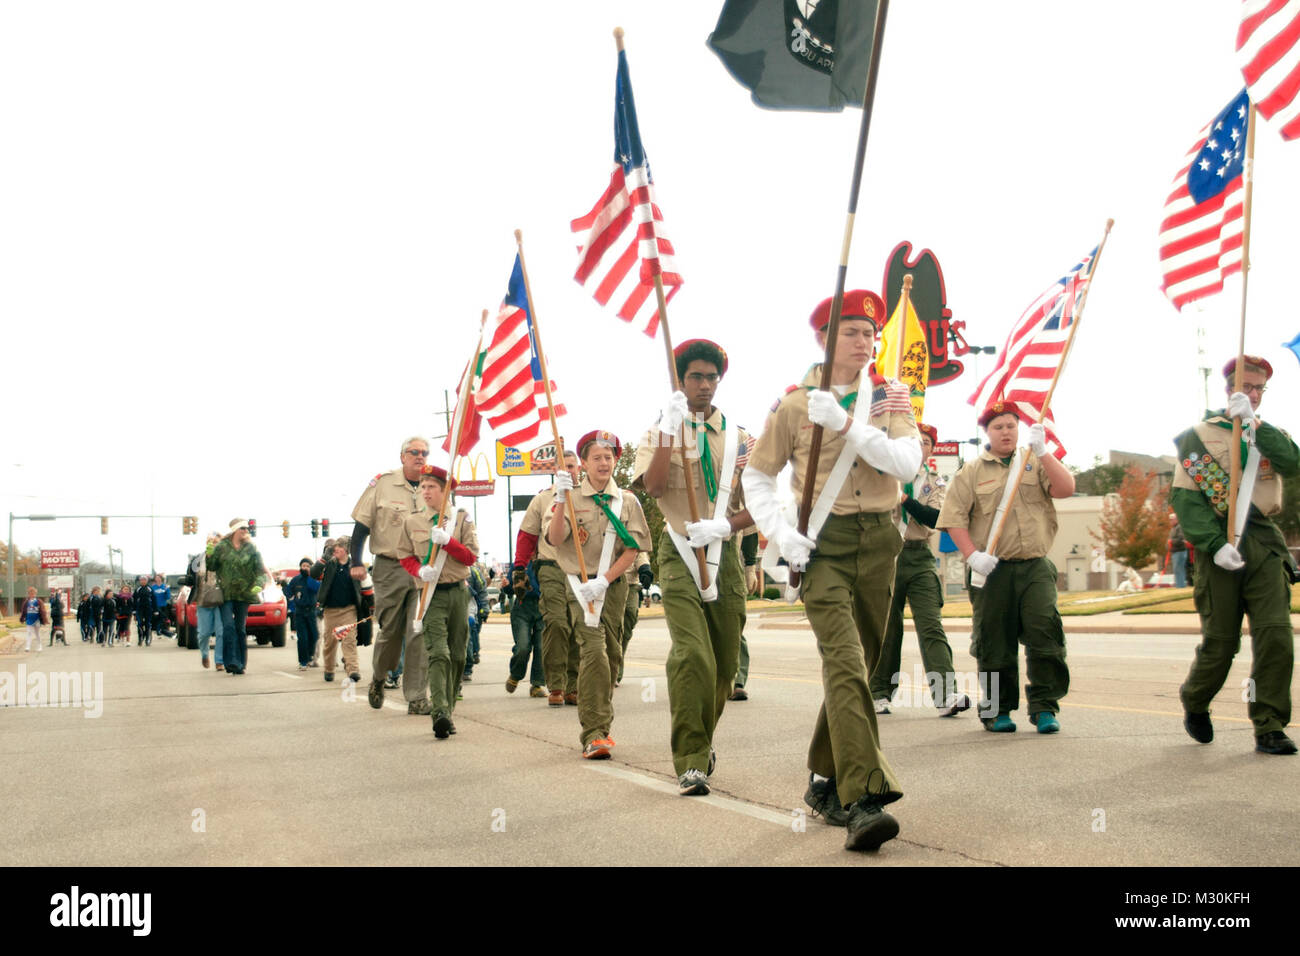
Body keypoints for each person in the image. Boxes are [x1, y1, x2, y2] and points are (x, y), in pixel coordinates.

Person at [742, 288, 919, 851]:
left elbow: (906, 464)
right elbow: (757, 476)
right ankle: (864, 798)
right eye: (851, 332)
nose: (864, 342)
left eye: (870, 333)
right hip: (824, 545)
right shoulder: (794, 404)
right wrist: (781, 530)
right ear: (824, 338)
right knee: (844, 661)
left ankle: (823, 779)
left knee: (861, 669)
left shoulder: (889, 396)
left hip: (881, 541)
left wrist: (848, 425)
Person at [633, 338, 754, 796]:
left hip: (723, 556)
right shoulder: (658, 430)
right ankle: (689, 760)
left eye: (711, 377)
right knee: (692, 657)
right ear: (680, 381)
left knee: (723, 665)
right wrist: (668, 431)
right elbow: (656, 486)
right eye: (695, 377)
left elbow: (760, 505)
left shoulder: (741, 438)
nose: (704, 385)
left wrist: (725, 525)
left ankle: (701, 745)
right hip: (679, 551)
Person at [1174, 356, 1300, 756]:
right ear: (1229, 387)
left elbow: (1293, 464)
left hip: (1263, 541)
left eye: (1260, 388)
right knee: (1221, 643)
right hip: (1218, 540)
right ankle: (1195, 699)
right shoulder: (1201, 435)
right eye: (1247, 385)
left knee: (1275, 637)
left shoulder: (1268, 432)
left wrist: (1256, 427)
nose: (1254, 393)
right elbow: (1187, 501)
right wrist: (1214, 545)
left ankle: (1269, 723)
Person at [937, 400, 1075, 735]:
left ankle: (1044, 707)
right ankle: (998, 709)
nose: (1006, 432)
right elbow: (953, 519)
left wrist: (1044, 452)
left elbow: (1066, 489)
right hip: (992, 570)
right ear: (987, 432)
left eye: (1011, 425)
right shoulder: (970, 472)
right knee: (994, 642)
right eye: (998, 427)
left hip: (1034, 566)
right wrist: (971, 555)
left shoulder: (1034, 462)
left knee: (1045, 634)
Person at [546, 430, 651, 759]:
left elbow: (633, 549)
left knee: (611, 653)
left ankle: (598, 719)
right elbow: (554, 537)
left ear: (615, 461)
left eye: (609, 457)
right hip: (579, 584)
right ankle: (595, 732)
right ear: (585, 463)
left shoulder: (628, 502)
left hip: (613, 585)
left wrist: (605, 580)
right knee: (594, 653)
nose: (603, 463)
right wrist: (562, 501)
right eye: (596, 457)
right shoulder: (569, 497)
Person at [871, 423, 970, 718]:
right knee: (887, 629)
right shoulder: (883, 476)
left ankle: (945, 693)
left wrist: (905, 500)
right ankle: (879, 692)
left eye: (926, 442)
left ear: (931, 449)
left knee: (931, 624)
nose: (921, 445)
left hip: (918, 556)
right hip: (886, 556)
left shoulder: (935, 483)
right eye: (916, 440)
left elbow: (935, 517)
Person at [350, 436, 432, 715]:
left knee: (418, 632)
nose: (420, 457)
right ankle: (379, 678)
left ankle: (417, 696)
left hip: (422, 569)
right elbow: (361, 524)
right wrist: (356, 561)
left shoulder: (432, 486)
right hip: (390, 567)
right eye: (414, 452)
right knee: (390, 632)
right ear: (402, 457)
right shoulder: (383, 483)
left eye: (424, 453)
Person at [396, 464, 478, 738]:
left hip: (457, 592)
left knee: (457, 655)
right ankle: (440, 712)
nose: (426, 491)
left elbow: (470, 557)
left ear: (445, 492)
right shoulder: (412, 521)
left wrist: (448, 543)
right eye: (423, 487)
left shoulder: (461, 519)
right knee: (439, 653)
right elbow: (404, 555)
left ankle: (448, 710)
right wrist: (419, 570)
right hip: (430, 595)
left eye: (432, 487)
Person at [517, 450, 585, 706]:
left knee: (579, 624)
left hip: (581, 568)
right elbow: (526, 535)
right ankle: (555, 684)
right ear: (555, 471)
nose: (569, 471)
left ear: (579, 469)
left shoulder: (589, 497)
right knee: (557, 623)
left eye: (573, 466)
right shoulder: (543, 499)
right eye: (564, 467)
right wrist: (519, 569)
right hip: (551, 566)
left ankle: (573, 684)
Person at [207, 518, 272, 675]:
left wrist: (259, 583)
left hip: (244, 593)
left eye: (246, 529)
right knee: (228, 627)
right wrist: (210, 555)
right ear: (235, 530)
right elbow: (212, 567)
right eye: (242, 528)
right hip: (226, 593)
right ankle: (231, 662)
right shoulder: (222, 546)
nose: (245, 531)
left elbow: (260, 570)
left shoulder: (251, 548)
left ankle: (241, 663)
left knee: (240, 629)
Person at [313, 538, 364, 684]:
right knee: (330, 642)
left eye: (339, 547)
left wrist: (370, 605)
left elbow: (365, 585)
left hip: (349, 609)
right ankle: (329, 669)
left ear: (347, 550)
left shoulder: (355, 565)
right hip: (330, 610)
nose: (336, 549)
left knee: (349, 640)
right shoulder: (329, 564)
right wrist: (324, 557)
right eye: (335, 547)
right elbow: (314, 574)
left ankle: (353, 670)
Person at [505, 559, 547, 698]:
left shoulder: (546, 563)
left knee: (541, 647)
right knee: (523, 646)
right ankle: (516, 674)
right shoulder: (519, 564)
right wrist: (506, 586)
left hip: (542, 606)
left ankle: (537, 684)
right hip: (522, 607)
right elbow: (511, 588)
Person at [185, 534, 225, 670]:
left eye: (217, 543)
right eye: (211, 542)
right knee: (204, 633)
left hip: (221, 600)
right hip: (203, 600)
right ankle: (204, 654)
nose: (214, 545)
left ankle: (219, 660)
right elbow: (190, 577)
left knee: (221, 632)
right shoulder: (198, 559)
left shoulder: (224, 559)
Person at [730, 527, 761, 701]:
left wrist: (750, 569)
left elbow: (750, 533)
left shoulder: (741, 500)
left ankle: (738, 682)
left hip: (732, 570)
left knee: (735, 628)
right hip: (696, 568)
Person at [614, 551, 652, 686]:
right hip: (610, 582)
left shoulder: (634, 531)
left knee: (628, 620)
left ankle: (616, 670)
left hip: (631, 585)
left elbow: (640, 552)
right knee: (611, 627)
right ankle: (611, 672)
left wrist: (645, 570)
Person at [285, 558, 321, 672]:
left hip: (312, 611)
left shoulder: (314, 579)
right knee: (302, 638)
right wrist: (291, 599)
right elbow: (288, 592)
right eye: (303, 566)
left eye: (307, 566)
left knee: (314, 635)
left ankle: (310, 655)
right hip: (299, 612)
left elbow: (316, 589)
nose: (304, 568)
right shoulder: (296, 580)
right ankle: (303, 661)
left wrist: (311, 576)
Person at [461, 563, 489, 683]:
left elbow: (482, 591)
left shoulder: (473, 571)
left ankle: (468, 667)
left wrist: (484, 609)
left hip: (471, 611)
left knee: (469, 638)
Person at [21, 587, 46, 652]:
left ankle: (40, 646)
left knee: (37, 633)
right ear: (29, 594)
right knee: (29, 633)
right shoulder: (27, 602)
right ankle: (27, 647)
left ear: (35, 594)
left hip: (36, 619)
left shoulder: (38, 601)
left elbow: (43, 610)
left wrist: (43, 619)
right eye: (30, 593)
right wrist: (22, 618)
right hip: (29, 619)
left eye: (33, 593)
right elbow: (24, 611)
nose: (32, 595)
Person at [1168, 515, 1189, 588]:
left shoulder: (1179, 528)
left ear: (1176, 519)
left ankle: (1181, 585)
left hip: (1180, 551)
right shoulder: (1172, 529)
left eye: (1172, 519)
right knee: (1176, 569)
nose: (1171, 521)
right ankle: (1178, 585)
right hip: (1175, 552)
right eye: (1170, 520)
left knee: (1179, 569)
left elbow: (1181, 539)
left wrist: (1172, 542)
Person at [150, 574, 174, 638]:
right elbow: (151, 597)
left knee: (162, 618)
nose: (158, 579)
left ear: (161, 579)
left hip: (163, 605)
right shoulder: (153, 587)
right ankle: (158, 630)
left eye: (159, 578)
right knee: (158, 618)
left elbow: (168, 597)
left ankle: (159, 630)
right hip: (156, 605)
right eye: (156, 578)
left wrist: (166, 591)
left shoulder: (165, 586)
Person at [133, 576, 154, 646]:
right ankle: (140, 638)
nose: (143, 581)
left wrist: (156, 610)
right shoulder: (137, 589)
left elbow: (154, 599)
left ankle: (148, 638)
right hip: (140, 609)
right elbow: (134, 600)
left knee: (148, 624)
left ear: (147, 581)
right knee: (140, 623)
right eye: (141, 580)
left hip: (148, 609)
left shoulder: (150, 589)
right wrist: (134, 610)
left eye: (144, 580)